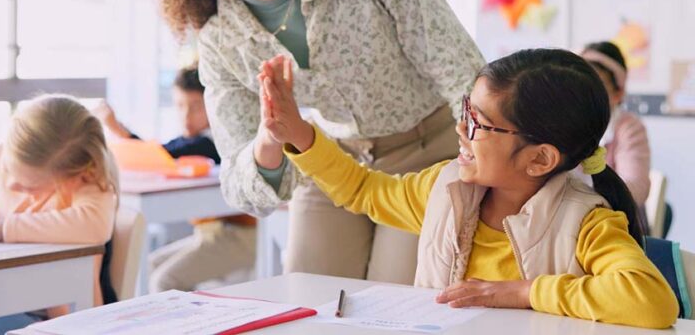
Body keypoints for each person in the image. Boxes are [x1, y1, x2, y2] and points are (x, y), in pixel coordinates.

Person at [139, 0, 485, 284]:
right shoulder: (220, 41)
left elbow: (461, 71)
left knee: (394, 300)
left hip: (429, 155)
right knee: (309, 295)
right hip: (328, 160)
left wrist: (482, 163)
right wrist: (270, 137)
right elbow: (241, 187)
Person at [257, 50, 678, 329]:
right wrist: (300, 135)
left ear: (539, 159)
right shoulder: (445, 190)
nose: (461, 128)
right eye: (465, 110)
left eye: (478, 122)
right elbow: (364, 190)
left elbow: (652, 301)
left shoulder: (585, 223)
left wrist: (522, 292)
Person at [0, 95, 118, 334]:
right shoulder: (5, 155)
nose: (11, 184)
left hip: (48, 317)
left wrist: (2, 228)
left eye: (28, 187)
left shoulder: (86, 185)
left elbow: (95, 225)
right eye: (8, 170)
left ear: (74, 177)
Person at [94, 66, 257, 293]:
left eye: (196, 106)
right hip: (209, 235)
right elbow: (162, 152)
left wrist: (115, 127)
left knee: (164, 281)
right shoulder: (193, 139)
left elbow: (159, 157)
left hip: (239, 237)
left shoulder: (212, 143)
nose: (186, 116)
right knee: (149, 265)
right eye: (180, 106)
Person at [581, 41, 651, 216]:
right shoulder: (565, 121)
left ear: (617, 94)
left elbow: (636, 188)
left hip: (616, 219)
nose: (585, 93)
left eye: (596, 86)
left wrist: (584, 200)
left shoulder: (628, 127)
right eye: (580, 84)